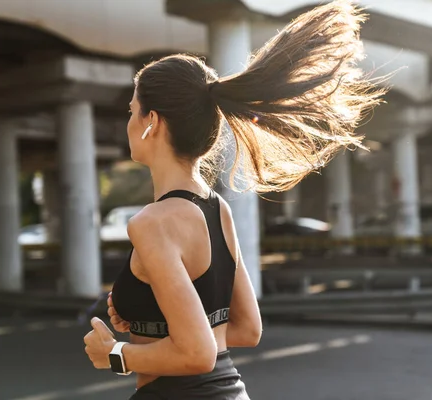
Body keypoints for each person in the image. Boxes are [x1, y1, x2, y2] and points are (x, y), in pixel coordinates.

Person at [83, 1, 385, 398]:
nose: (128, 122)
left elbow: (198, 353)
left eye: (132, 111)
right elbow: (245, 329)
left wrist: (115, 354)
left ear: (151, 122)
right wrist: (141, 315)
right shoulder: (215, 209)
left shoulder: (151, 223)